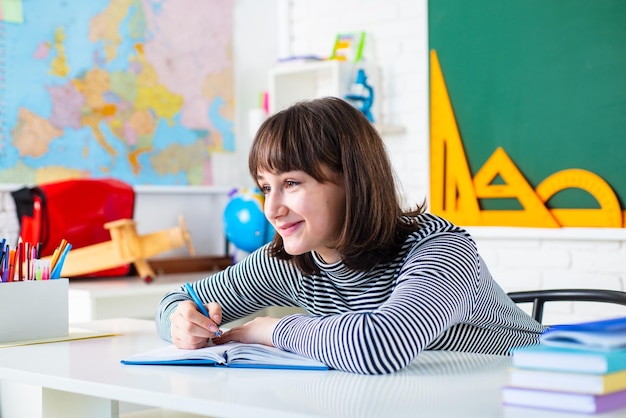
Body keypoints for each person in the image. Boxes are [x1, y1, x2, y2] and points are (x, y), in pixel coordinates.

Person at [155, 96, 544, 375]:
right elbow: (178, 301)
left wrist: (266, 329)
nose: (271, 209)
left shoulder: (439, 249)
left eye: (291, 183)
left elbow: (381, 346)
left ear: (352, 182)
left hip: (531, 396)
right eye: (265, 187)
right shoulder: (289, 260)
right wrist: (180, 321)